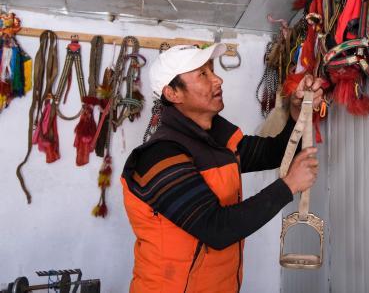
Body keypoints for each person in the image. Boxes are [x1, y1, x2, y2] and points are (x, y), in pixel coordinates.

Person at [120, 44, 323, 292]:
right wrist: (288, 185)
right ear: (172, 93)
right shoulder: (158, 156)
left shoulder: (217, 142)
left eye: (211, 70)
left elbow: (275, 153)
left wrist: (296, 112)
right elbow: (216, 229)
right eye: (202, 74)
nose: (218, 79)